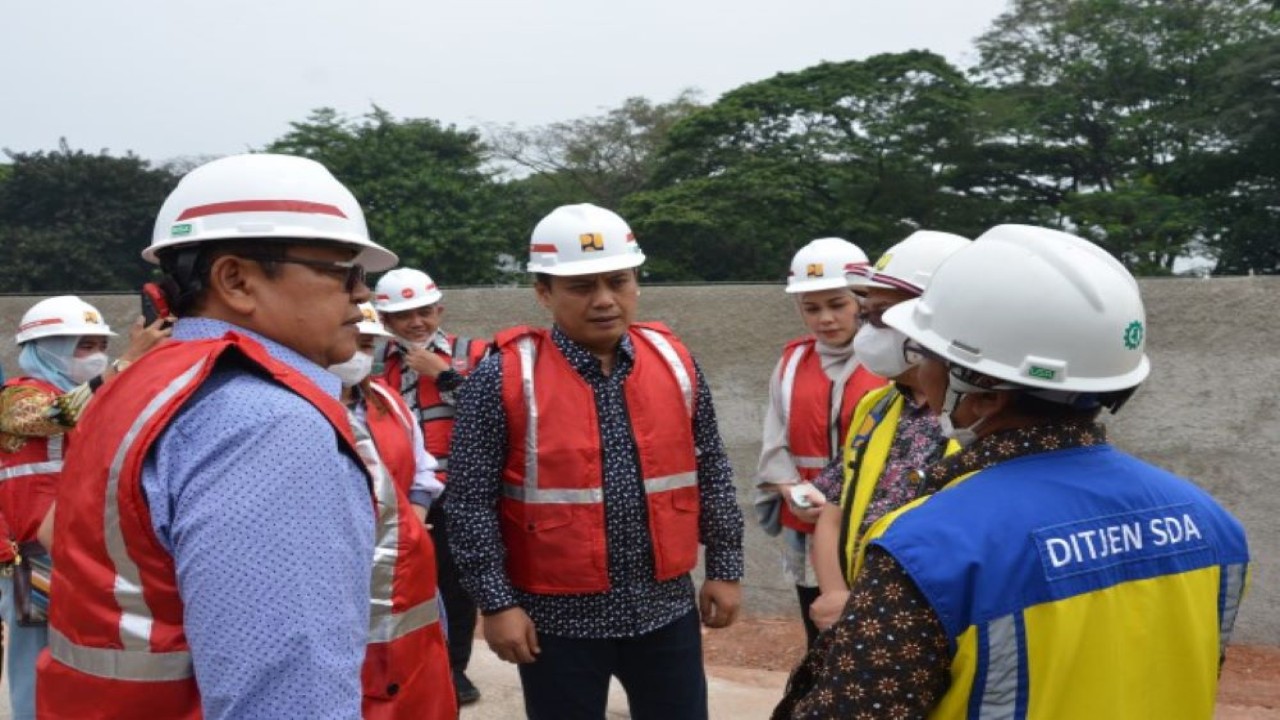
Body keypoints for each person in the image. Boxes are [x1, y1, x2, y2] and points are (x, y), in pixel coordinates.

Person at [774, 224, 1250, 719]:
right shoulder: (1212, 525)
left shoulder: (928, 548)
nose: (918, 366)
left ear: (981, 391)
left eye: (927, 352)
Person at [36, 153, 399, 719]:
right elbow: (284, 695)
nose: (362, 295)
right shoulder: (267, 424)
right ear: (236, 279)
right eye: (342, 271)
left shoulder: (145, 386)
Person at [445, 203, 745, 720]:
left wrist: (725, 567)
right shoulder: (502, 378)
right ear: (544, 292)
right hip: (555, 621)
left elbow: (711, 467)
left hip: (664, 608)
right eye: (582, 286)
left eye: (618, 281)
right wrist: (497, 605)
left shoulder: (676, 363)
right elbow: (470, 502)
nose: (605, 300)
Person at [0, 296, 168, 720]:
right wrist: (127, 361)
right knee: (37, 657)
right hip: (35, 557)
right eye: (83, 346)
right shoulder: (15, 400)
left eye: (100, 346)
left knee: (87, 658)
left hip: (88, 550)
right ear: (45, 348)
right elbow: (56, 415)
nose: (96, 357)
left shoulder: (100, 395)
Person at [803, 230, 970, 632]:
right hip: (858, 620)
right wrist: (835, 594)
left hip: (935, 627)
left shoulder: (980, 422)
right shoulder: (876, 407)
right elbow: (833, 510)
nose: (868, 330)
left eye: (881, 315)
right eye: (867, 315)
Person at [753, 237, 885, 648]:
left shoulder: (892, 360)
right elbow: (774, 447)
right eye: (811, 308)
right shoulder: (791, 363)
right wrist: (790, 490)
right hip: (809, 530)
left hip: (875, 527)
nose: (825, 318)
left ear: (862, 300)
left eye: (837, 304)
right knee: (823, 639)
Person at [328, 302, 456, 720]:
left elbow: (423, 469)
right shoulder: (297, 406)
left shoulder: (388, 401)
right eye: (354, 342)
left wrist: (415, 516)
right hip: (336, 578)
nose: (360, 354)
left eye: (368, 345)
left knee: (414, 675)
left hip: (403, 574)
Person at [373, 266, 490, 705]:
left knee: (457, 587)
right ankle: (407, 665)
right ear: (385, 321)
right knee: (406, 583)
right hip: (402, 495)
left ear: (439, 308)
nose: (416, 322)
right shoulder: (371, 364)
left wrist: (442, 374)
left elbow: (497, 414)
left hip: (460, 492)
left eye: (424, 311)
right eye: (404, 315)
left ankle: (453, 669)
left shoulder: (473, 353)